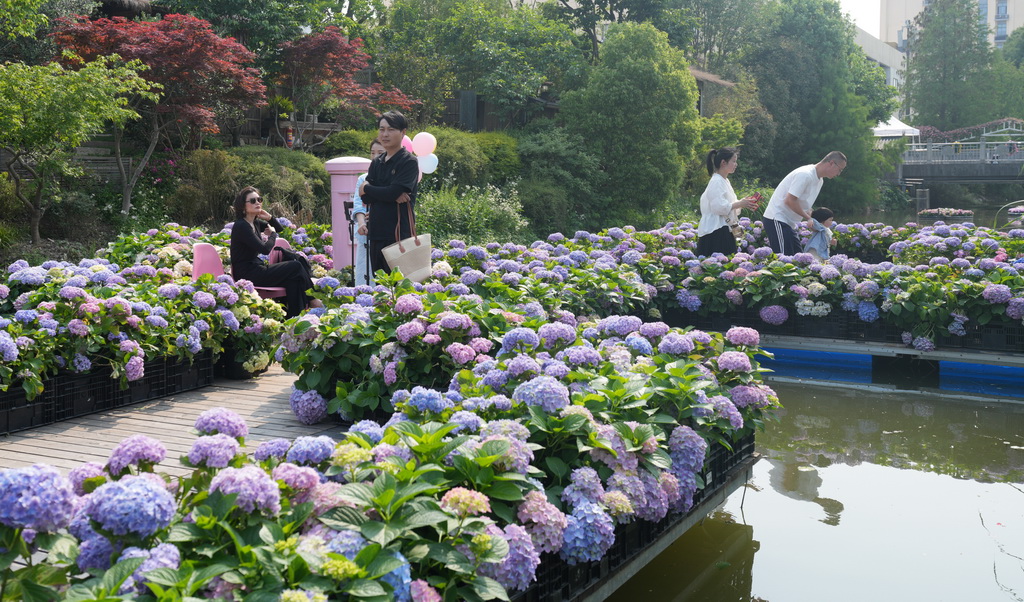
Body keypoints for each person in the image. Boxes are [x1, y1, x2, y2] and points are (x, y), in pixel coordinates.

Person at [229, 186, 322, 317]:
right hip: (246, 274)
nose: (258, 203)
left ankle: (294, 317)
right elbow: (265, 249)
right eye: (253, 200)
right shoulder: (241, 226)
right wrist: (272, 235)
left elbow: (279, 229)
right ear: (243, 206)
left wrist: (269, 218)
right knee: (295, 266)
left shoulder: (254, 223)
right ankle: (312, 300)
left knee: (293, 279)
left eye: (259, 199)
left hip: (257, 268)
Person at [359, 111, 419, 275]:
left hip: (398, 234)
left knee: (400, 284)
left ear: (403, 132)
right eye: (381, 129)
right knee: (380, 284)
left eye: (391, 129)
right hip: (376, 231)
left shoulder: (409, 161)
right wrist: (387, 193)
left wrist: (367, 187)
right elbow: (366, 197)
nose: (385, 134)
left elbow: (389, 192)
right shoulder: (377, 162)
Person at [762, 151, 846, 256]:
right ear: (831, 163)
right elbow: (789, 200)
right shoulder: (805, 174)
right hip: (777, 219)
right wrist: (808, 218)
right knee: (783, 260)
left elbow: (805, 206)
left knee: (800, 259)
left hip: (789, 223)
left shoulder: (819, 181)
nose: (838, 173)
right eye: (840, 169)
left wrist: (815, 223)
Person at [696, 147, 759, 256]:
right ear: (723, 163)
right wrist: (740, 203)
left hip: (724, 228)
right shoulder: (716, 181)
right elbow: (718, 207)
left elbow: (729, 205)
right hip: (716, 231)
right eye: (733, 161)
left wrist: (743, 202)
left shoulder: (724, 181)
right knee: (720, 265)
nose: (736, 164)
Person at [351, 138, 386, 285]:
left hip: (388, 231)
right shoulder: (363, 178)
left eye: (380, 152)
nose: (375, 156)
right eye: (372, 153)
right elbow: (358, 204)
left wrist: (378, 212)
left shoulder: (394, 177)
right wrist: (361, 223)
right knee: (364, 271)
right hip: (367, 231)